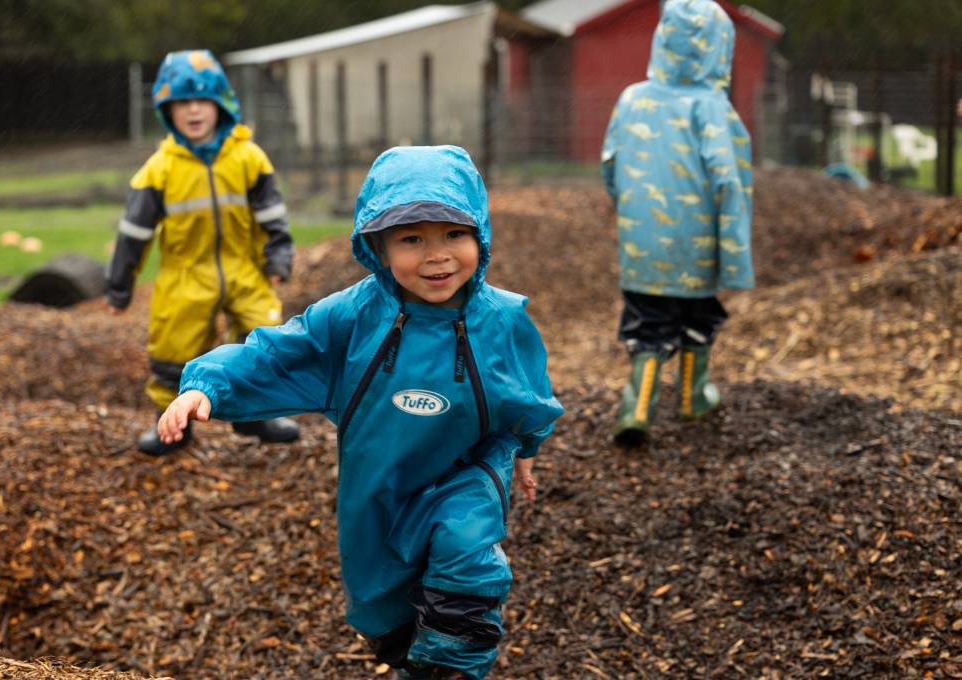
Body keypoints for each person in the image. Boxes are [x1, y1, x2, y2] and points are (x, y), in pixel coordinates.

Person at [157, 146, 563, 679]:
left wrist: (526, 451)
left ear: (479, 237)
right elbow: (279, 350)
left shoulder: (501, 319)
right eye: (412, 239)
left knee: (465, 554)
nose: (437, 256)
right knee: (382, 609)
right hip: (380, 483)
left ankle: (450, 670)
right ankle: (406, 656)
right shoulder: (355, 316)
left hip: (468, 471)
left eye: (454, 235)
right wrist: (207, 385)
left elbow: (529, 391)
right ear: (378, 245)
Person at [105, 49, 299, 454]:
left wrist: (277, 258)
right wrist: (119, 286)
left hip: (243, 269)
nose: (193, 111)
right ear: (166, 110)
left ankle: (255, 415)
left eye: (202, 101)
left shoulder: (249, 158)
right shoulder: (159, 169)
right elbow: (133, 233)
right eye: (181, 103)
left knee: (263, 337)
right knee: (173, 349)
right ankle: (171, 423)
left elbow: (273, 216)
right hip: (185, 274)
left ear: (221, 105)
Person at [600, 0, 754, 446]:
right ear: (719, 49)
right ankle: (692, 398)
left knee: (647, 321)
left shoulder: (631, 98)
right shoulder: (712, 107)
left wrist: (629, 210)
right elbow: (728, 180)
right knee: (697, 315)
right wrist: (734, 251)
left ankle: (636, 407)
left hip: (641, 244)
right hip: (697, 244)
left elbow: (610, 165)